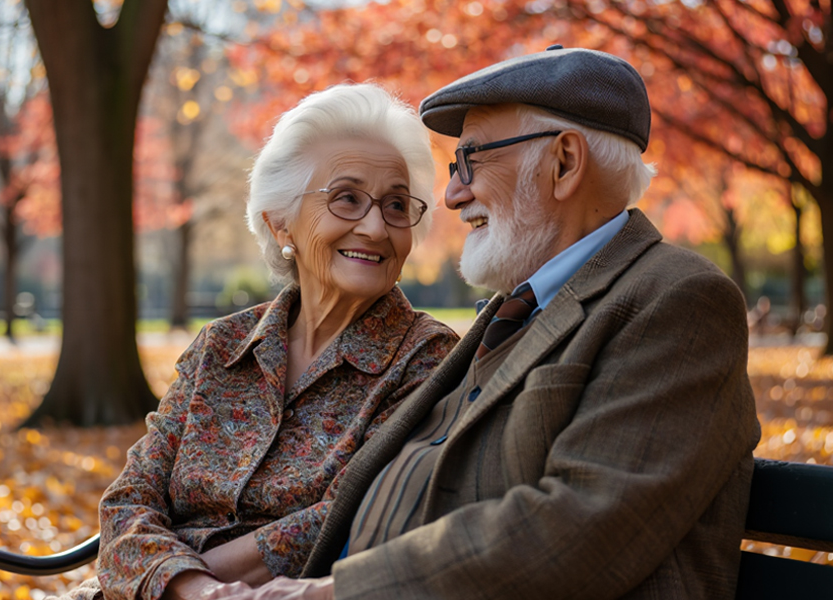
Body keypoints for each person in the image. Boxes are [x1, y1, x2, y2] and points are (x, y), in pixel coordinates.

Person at [207, 47, 762, 600]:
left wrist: (318, 596)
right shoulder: (519, 307)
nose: (451, 194)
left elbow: (576, 529)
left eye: (471, 161)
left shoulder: (676, 297)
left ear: (564, 163)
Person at [81, 83, 459, 600]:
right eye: (347, 198)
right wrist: (187, 589)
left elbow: (355, 514)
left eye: (396, 205)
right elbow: (129, 499)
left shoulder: (428, 358)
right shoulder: (221, 345)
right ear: (280, 223)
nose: (375, 226)